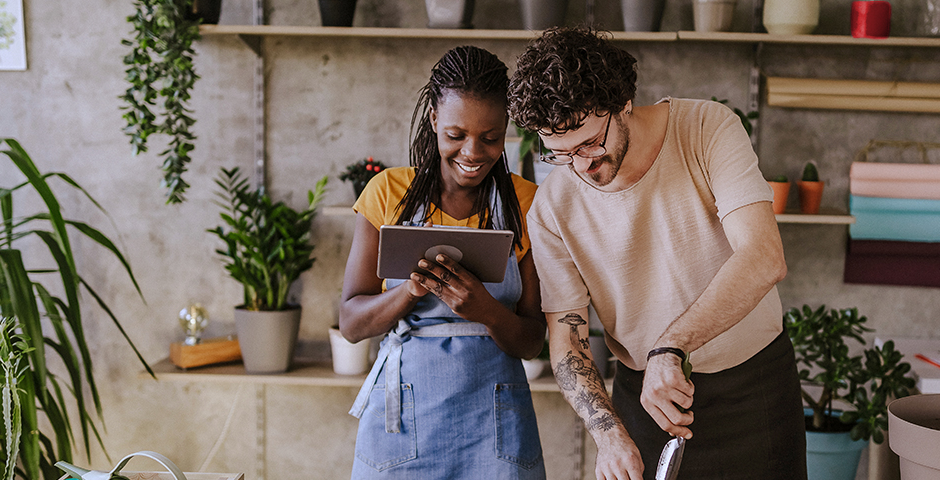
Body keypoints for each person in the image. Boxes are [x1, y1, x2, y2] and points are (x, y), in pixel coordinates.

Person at [508, 26, 807, 479]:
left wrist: (671, 347)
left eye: (590, 142)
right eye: (560, 154)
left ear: (623, 101)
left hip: (755, 389)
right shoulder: (552, 208)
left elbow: (764, 256)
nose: (582, 166)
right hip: (645, 404)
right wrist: (608, 435)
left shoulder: (706, 129)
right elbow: (567, 338)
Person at [340, 45, 547, 479]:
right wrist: (409, 291)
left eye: (490, 138)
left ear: (506, 127)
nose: (472, 152)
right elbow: (352, 324)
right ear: (434, 119)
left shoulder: (528, 204)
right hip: (404, 426)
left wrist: (484, 310)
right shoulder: (387, 194)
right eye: (456, 134)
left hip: (493, 426)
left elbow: (531, 340)